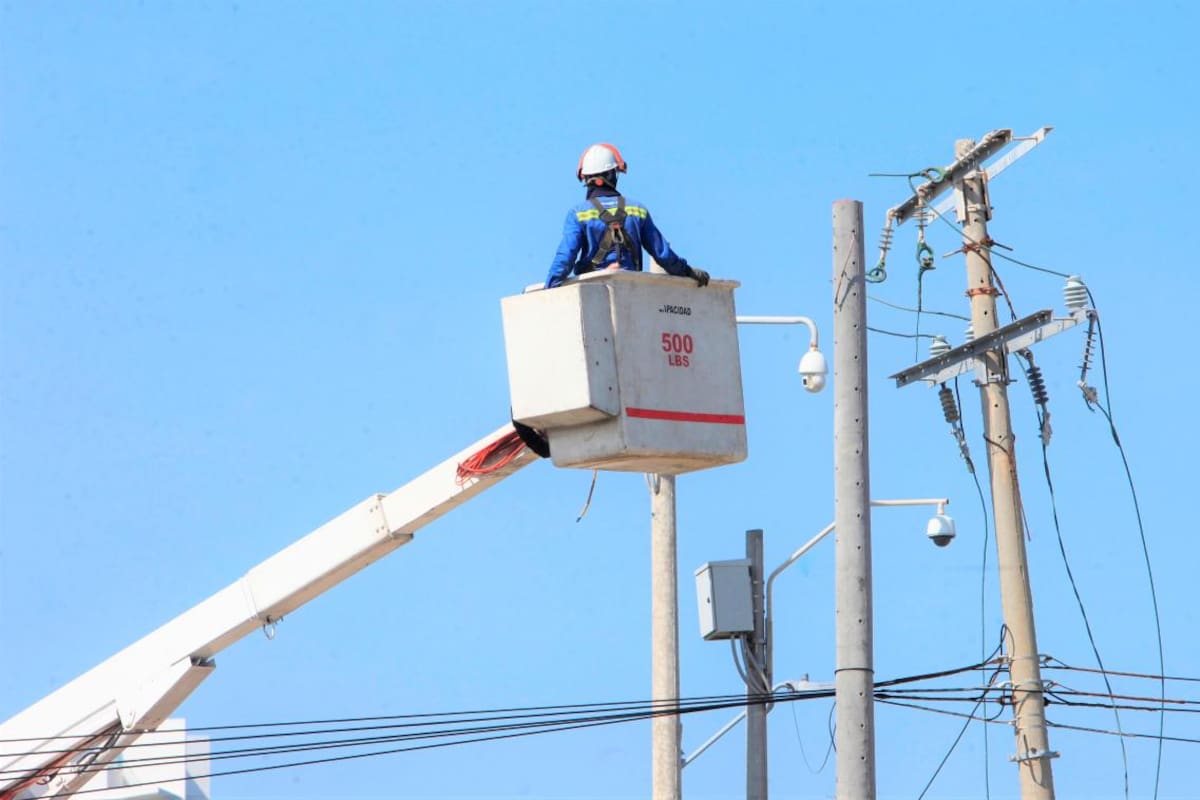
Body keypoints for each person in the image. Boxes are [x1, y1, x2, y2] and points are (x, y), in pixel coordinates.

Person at [544, 143, 710, 289]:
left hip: (593, 291)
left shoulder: (578, 213)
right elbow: (663, 254)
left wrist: (550, 288)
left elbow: (565, 258)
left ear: (586, 179)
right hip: (632, 291)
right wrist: (687, 271)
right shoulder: (637, 209)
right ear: (613, 175)